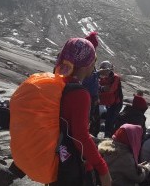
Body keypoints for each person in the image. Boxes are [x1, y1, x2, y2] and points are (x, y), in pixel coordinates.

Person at [53, 38, 112, 186]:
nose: (94, 67)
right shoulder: (80, 94)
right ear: (86, 64)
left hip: (55, 156)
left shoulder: (57, 83)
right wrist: (102, 169)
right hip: (71, 163)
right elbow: (80, 137)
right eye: (93, 61)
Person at [82, 31, 103, 137]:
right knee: (85, 122)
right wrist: (98, 74)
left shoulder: (88, 59)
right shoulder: (84, 60)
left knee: (92, 122)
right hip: (86, 97)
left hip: (91, 97)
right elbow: (84, 78)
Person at [99, 61, 124, 137]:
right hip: (104, 102)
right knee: (96, 120)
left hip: (115, 103)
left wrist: (101, 89)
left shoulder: (115, 78)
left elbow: (110, 90)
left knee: (109, 121)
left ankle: (108, 137)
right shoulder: (99, 77)